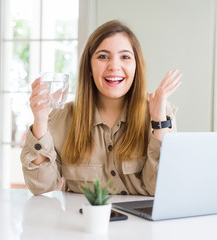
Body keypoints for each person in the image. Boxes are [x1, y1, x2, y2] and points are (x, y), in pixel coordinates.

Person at [20, 20, 182, 196]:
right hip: (82, 222)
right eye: (103, 56)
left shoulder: (161, 116)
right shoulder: (62, 118)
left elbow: (159, 189)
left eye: (125, 57)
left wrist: (158, 121)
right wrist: (40, 121)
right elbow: (42, 187)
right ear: (89, 66)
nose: (114, 66)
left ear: (136, 66)